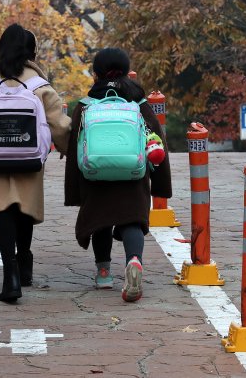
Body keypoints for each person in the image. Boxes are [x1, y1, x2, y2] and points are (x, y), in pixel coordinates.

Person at [0, 23, 71, 303]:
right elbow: (60, 126)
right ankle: (25, 263)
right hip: (29, 161)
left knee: (2, 211)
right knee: (23, 210)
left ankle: (9, 274)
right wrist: (66, 148)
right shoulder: (40, 86)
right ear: (31, 52)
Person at [64, 48, 173, 302]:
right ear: (126, 72)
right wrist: (160, 184)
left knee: (101, 220)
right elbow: (157, 142)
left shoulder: (86, 105)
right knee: (132, 221)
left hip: (95, 176)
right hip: (133, 176)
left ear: (96, 74)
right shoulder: (138, 103)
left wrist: (75, 190)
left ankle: (103, 273)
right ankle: (134, 260)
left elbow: (74, 147)